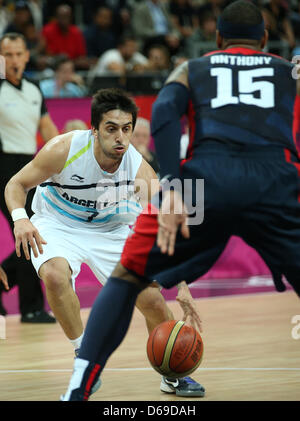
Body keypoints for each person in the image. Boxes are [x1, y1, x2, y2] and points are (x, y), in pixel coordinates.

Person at [59, 0, 300, 401]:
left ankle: (78, 387)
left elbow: (167, 112)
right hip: (274, 179)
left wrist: (171, 185)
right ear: (264, 39)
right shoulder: (286, 67)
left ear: (217, 38)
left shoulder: (192, 67)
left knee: (127, 276)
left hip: (206, 182)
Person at [4, 87, 205, 397]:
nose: (121, 138)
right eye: (111, 128)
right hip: (58, 224)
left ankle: (172, 374)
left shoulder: (139, 169)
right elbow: (16, 184)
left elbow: (167, 225)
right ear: (94, 129)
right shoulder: (63, 149)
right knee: (56, 275)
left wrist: (181, 285)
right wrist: (20, 218)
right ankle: (85, 359)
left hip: (112, 230)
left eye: (127, 129)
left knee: (152, 300)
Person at [0, 32, 58, 322]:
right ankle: (32, 307)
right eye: (7, 54)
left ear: (26, 56)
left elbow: (47, 129)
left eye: (17, 53)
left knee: (34, 231)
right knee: (26, 230)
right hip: (2, 165)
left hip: (28, 167)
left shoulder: (35, 88)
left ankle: (3, 282)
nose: (13, 60)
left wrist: (65, 158)